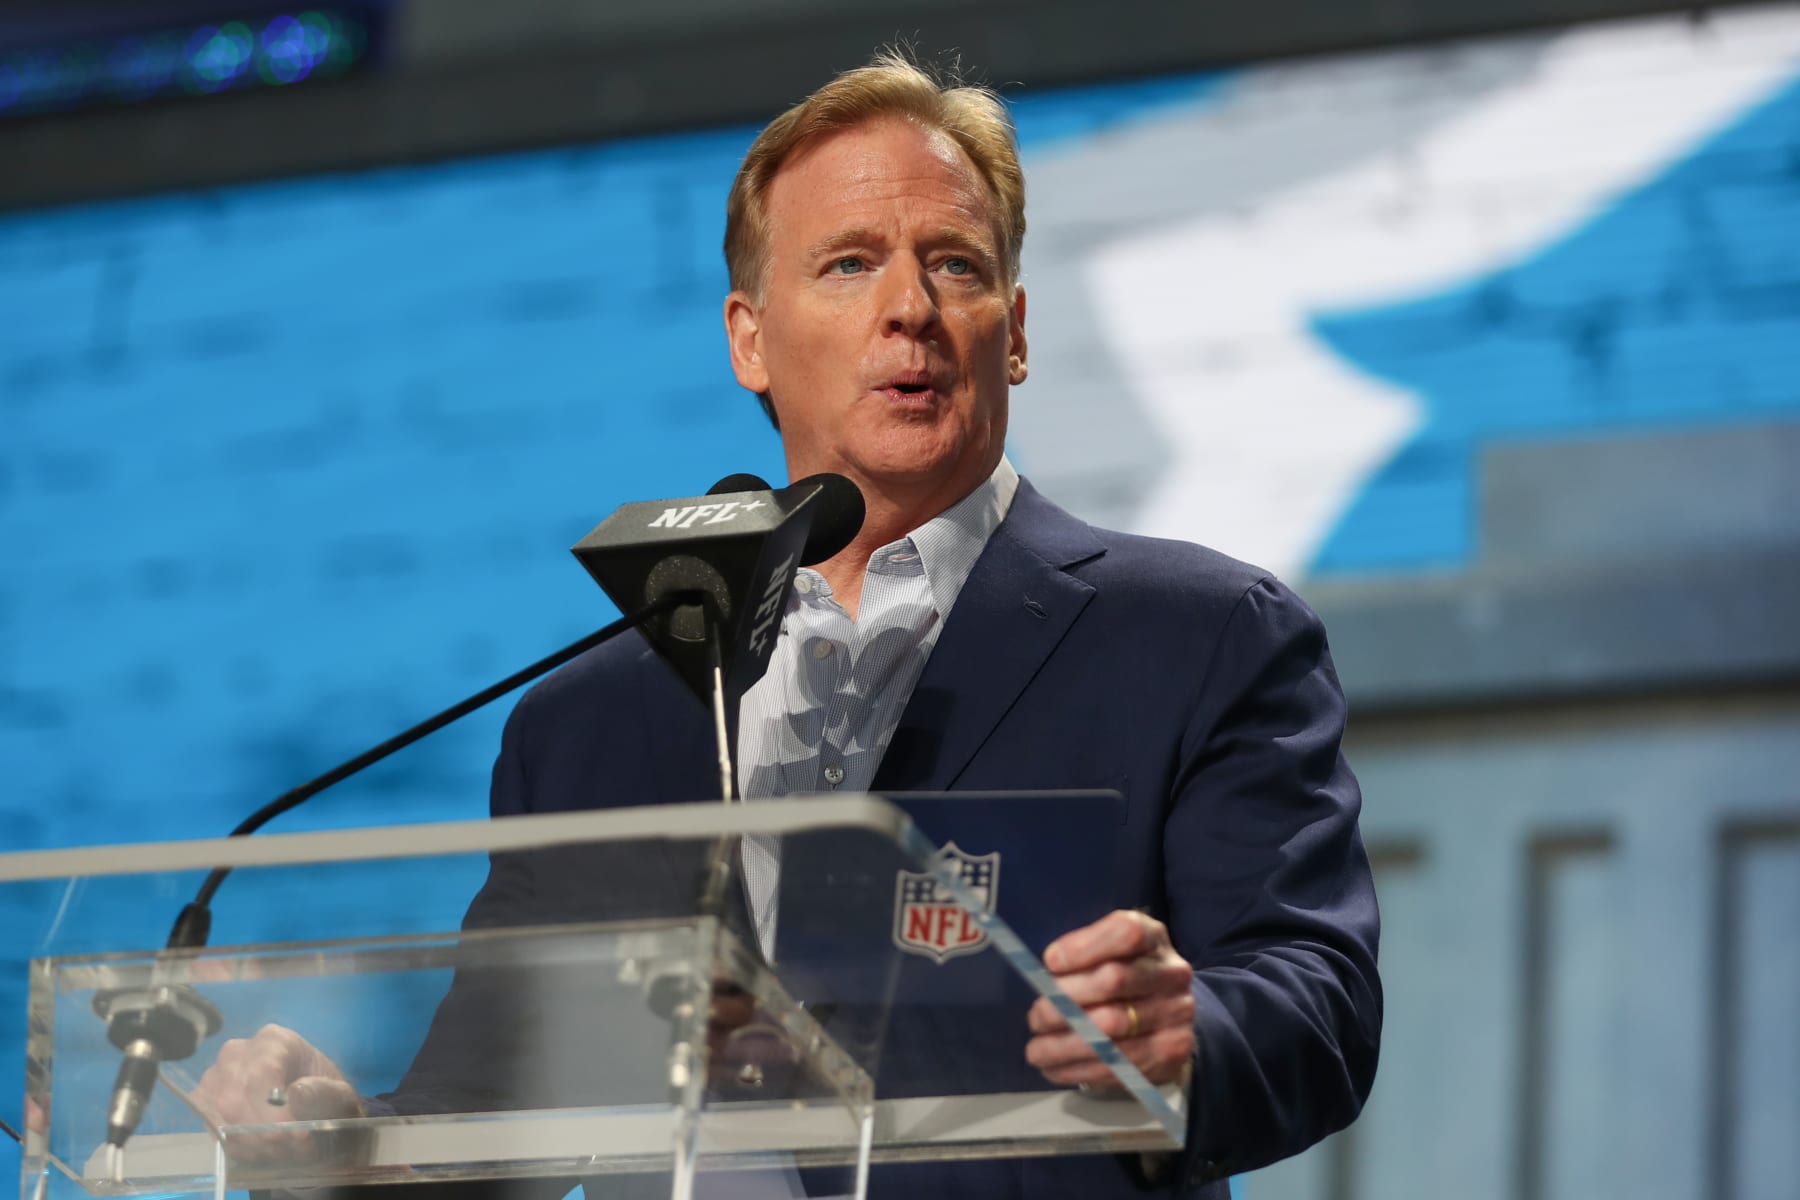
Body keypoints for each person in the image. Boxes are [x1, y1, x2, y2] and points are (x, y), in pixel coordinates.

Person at [193, 50, 1380, 1198]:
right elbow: (495, 1117)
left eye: (956, 267)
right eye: (852, 263)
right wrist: (345, 1154)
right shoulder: (591, 725)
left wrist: (1186, 1036)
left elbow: (1315, 997)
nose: (910, 308)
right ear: (749, 339)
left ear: (1013, 334)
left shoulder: (1198, 637)